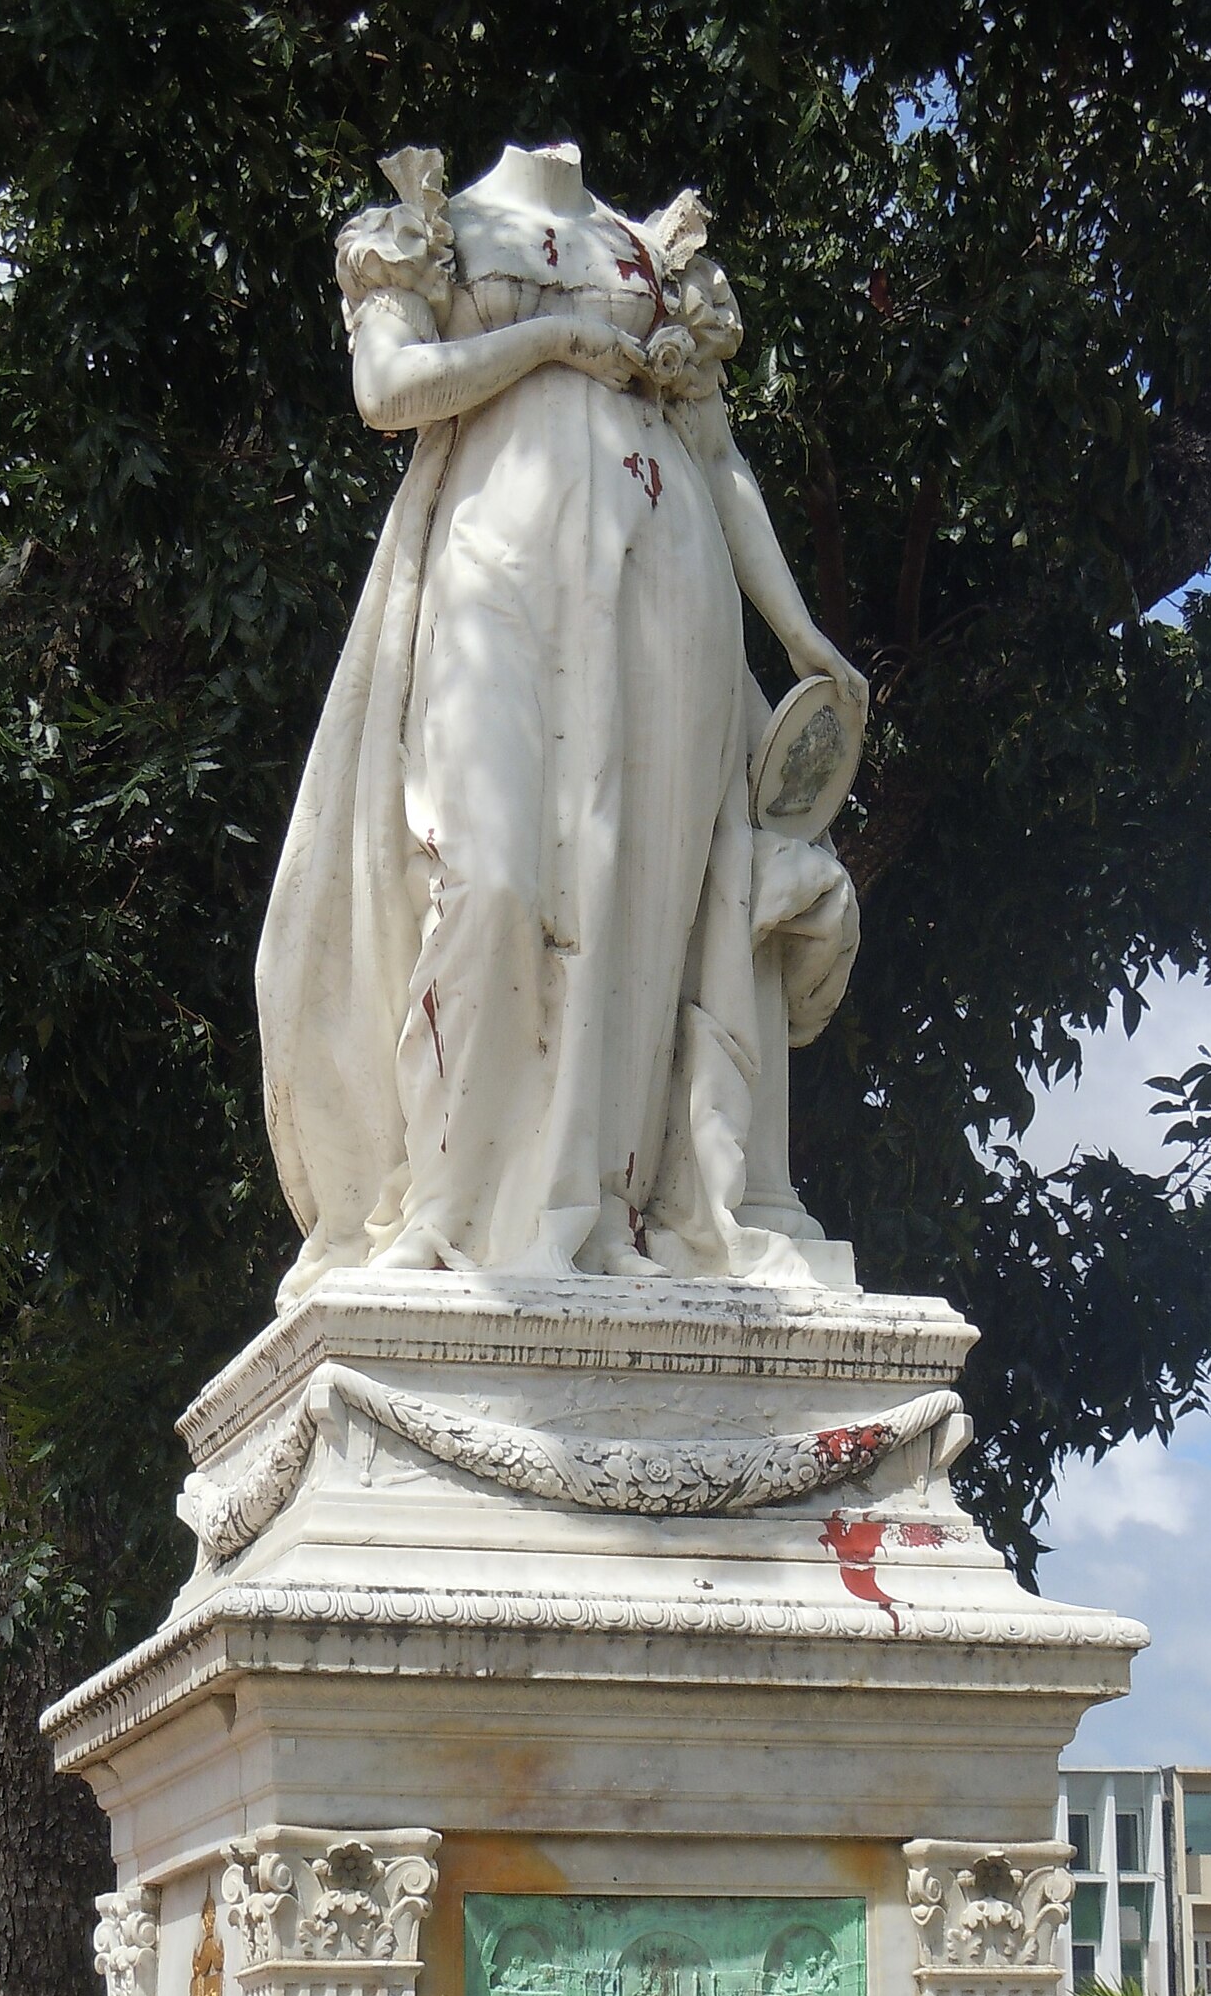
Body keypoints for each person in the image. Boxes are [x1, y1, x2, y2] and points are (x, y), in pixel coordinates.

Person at [257, 141, 867, 1302]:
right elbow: (388, 392)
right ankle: (454, 1203)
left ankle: (610, 1204)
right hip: (495, 569)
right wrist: (546, 343)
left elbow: (717, 456)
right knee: (488, 876)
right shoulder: (429, 230)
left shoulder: (653, 255)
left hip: (663, 580)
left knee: (641, 896)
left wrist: (796, 632)